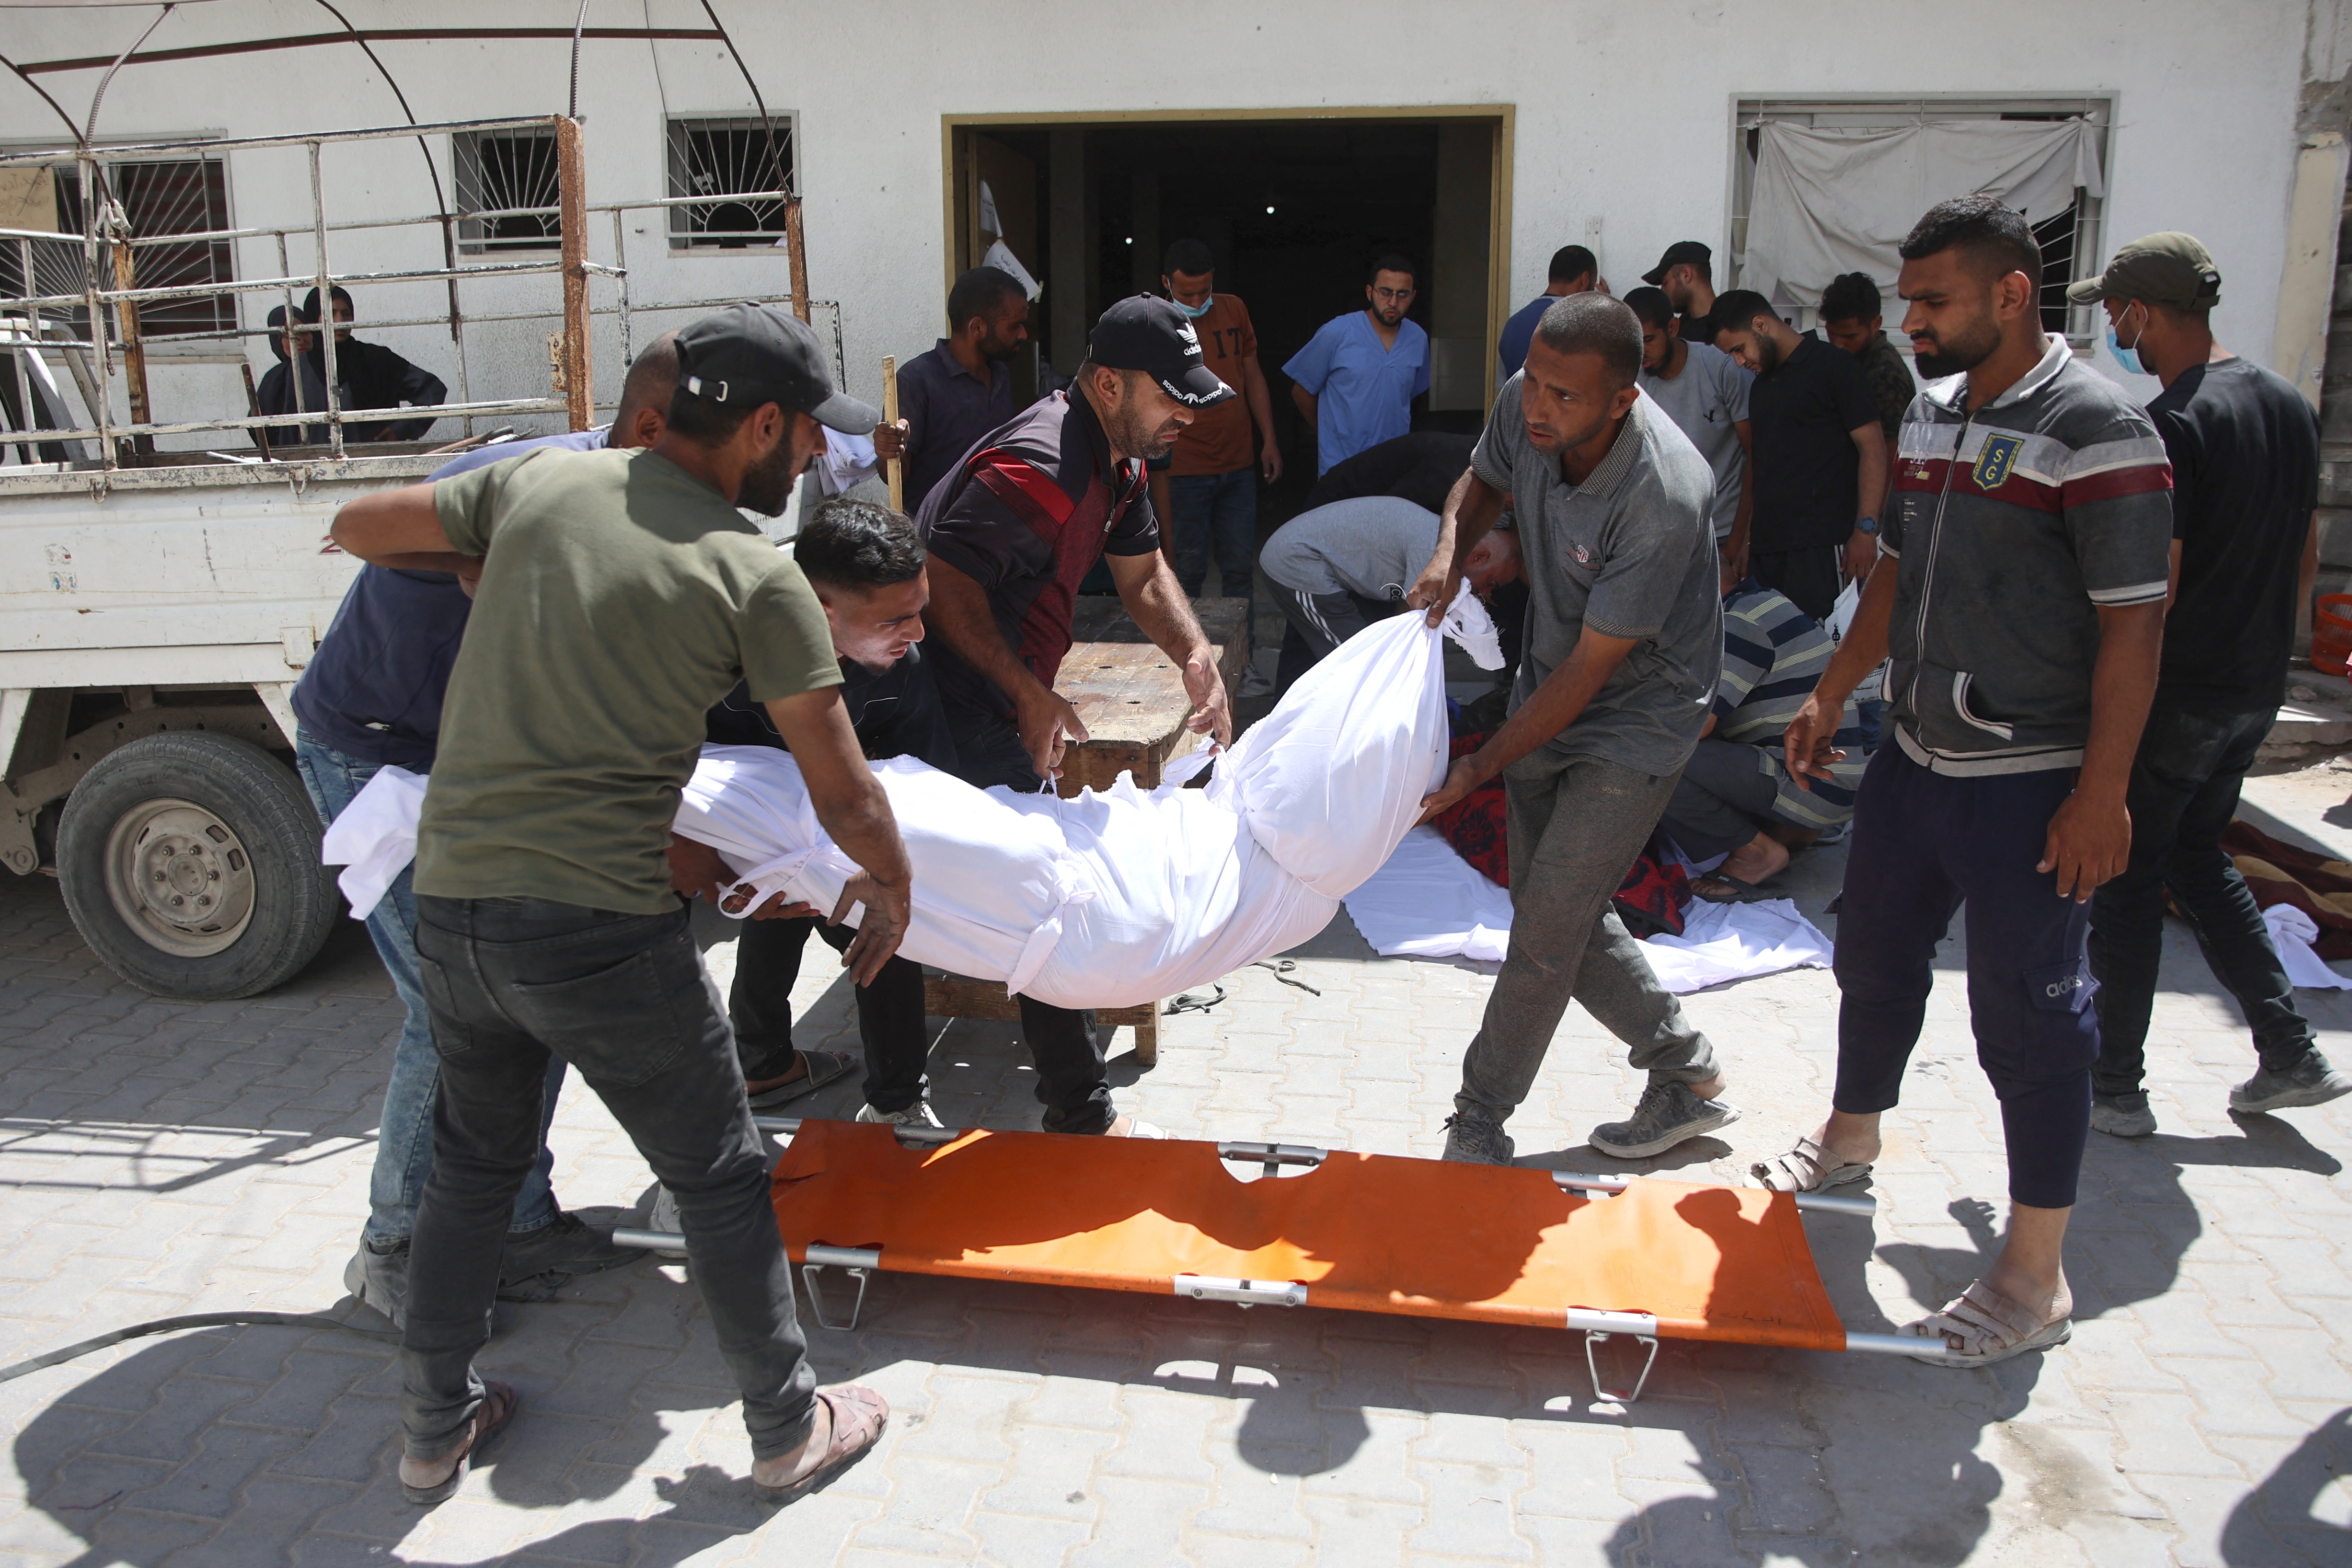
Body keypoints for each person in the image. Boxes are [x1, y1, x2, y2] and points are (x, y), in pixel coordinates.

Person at [329, 302, 909, 1501]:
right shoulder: (752, 573)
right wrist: (889, 884)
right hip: (597, 922)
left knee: (471, 1174)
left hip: (458, 906)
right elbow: (844, 788)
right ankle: (789, 1429)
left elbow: (353, 522)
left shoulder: (542, 485)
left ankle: (432, 1433)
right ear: (758, 424)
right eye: (805, 440)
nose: (813, 463)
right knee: (716, 1175)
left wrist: (486, 563)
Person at [1768, 196, 2171, 1370]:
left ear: (2010, 294)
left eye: (1933, 301)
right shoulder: (1932, 415)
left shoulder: (2100, 431)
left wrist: (2104, 793)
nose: (1913, 322)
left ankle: (2035, 1272)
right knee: (1873, 958)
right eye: (1908, 299)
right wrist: (1835, 687)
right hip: (1916, 760)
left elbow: (2136, 632)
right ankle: (1852, 1137)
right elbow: (1892, 568)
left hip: (2032, 786)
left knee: (2032, 1019)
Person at [295, 337, 690, 1329]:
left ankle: (515, 1218)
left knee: (530, 990)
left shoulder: (645, 509)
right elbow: (366, 531)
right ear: (649, 430)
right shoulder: (523, 484)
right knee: (452, 1008)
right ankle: (392, 1248)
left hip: (475, 769)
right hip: (381, 761)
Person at [1405, 292, 1737, 1165]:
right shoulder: (1529, 399)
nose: (1539, 408)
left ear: (1623, 399)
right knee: (1556, 910)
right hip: (1550, 680)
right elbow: (1482, 479)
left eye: (1565, 396)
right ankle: (1684, 1070)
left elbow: (1597, 673)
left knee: (1547, 928)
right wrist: (1448, 551)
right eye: (1535, 386)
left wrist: (1476, 766)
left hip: (1637, 716)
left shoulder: (1663, 491)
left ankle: (1479, 1114)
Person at [916, 295, 1234, 1139]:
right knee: (1037, 893)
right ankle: (1081, 1116)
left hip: (1000, 690)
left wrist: (1194, 654)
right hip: (947, 698)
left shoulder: (1119, 457)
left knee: (948, 889)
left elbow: (1142, 574)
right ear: (1106, 383)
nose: (1186, 417)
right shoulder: (1040, 467)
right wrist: (1027, 692)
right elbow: (941, 586)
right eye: (1172, 398)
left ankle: (786, 1053)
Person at [2071, 233, 2352, 1136]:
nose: (2115, 333)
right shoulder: (2283, 403)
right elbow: (2304, 552)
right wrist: (2275, 648)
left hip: (2180, 687)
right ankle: (2289, 1051)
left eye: (2115, 316)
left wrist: (2117, 700)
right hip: (2252, 683)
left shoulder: (2175, 421)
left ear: (2142, 312)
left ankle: (2113, 1085)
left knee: (2124, 871)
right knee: (2197, 856)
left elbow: (2157, 585)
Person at [681, 498, 958, 1129]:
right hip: (736, 842)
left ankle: (896, 1101)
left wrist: (879, 866)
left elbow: (931, 782)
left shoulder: (902, 666)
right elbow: (660, 774)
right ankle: (759, 1064)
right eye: (895, 620)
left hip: (844, 842)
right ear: (819, 607)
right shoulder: (716, 658)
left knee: (882, 934)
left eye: (921, 613)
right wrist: (715, 866)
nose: (916, 633)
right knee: (772, 905)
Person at [1659, 576, 1863, 896]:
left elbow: (1694, 726)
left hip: (1817, 786)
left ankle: (1754, 854)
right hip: (1823, 781)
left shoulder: (1740, 621)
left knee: (1658, 758)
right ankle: (1790, 830)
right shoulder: (1761, 602)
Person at [1712, 288, 1889, 622]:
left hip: (1823, 547)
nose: (1740, 361)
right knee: (1774, 653)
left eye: (1739, 349)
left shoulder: (1835, 366)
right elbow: (1760, 464)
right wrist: (1748, 538)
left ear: (1761, 325)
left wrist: (1866, 530)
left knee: (1822, 653)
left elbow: (1874, 447)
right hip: (1768, 551)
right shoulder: (1761, 386)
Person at [1259, 495, 1519, 692]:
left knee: (1368, 663)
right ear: (1479, 556)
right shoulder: (1436, 553)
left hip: (1311, 558)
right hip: (1297, 561)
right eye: (1492, 582)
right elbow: (1410, 627)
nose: (1485, 592)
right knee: (1361, 665)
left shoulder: (1445, 541)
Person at [1150, 238, 1280, 605]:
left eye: (1203, 291)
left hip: (1238, 466)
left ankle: (1244, 661)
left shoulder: (1234, 309)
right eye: (1186, 294)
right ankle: (1190, 660)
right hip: (1183, 470)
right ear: (1166, 283)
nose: (1195, 302)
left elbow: (1252, 375)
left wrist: (1269, 438)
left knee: (1239, 571)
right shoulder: (1153, 323)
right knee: (1186, 573)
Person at [1627, 285, 1754, 579]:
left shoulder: (1722, 368)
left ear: (1673, 327)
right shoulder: (1633, 381)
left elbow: (1756, 455)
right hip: (1664, 537)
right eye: (1635, 342)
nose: (1642, 352)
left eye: (1648, 339)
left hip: (1723, 533)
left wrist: (1741, 540)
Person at [1284, 253, 1430, 475]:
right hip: (1341, 465)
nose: (1393, 302)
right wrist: (1327, 435)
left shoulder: (1417, 339)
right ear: (1370, 291)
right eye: (1385, 292)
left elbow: (1405, 396)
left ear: (1413, 296)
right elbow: (1301, 392)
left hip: (1394, 466)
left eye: (1403, 294)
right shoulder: (1337, 333)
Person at [896, 265, 1027, 511]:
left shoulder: (1001, 375)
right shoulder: (916, 379)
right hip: (934, 537)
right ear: (977, 327)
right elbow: (893, 474)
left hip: (992, 532)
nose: (1024, 334)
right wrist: (891, 450)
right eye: (1014, 326)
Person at [293, 285, 448, 442]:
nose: (340, 321)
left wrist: (401, 429)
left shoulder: (376, 359)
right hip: (316, 462)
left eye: (347, 314)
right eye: (331, 314)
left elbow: (432, 390)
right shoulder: (298, 369)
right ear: (314, 318)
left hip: (373, 458)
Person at [1819, 271, 1918, 445]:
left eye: (1850, 337)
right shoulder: (1851, 359)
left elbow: (1890, 450)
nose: (1838, 344)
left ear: (1875, 324)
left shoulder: (1886, 376)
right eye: (1831, 334)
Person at [1302, 430, 1476, 515]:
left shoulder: (1473, 458)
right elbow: (1391, 514)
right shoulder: (1449, 469)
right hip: (1336, 503)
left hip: (1368, 504)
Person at [1498, 244, 1599, 379]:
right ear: (1585, 279)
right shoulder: (1580, 326)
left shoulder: (1512, 324)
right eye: (1593, 285)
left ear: (1550, 277)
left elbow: (1503, 387)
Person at [1643, 241, 1719, 343]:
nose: (1663, 291)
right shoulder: (1681, 326)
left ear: (1686, 275)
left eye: (1665, 283)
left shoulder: (1726, 327)